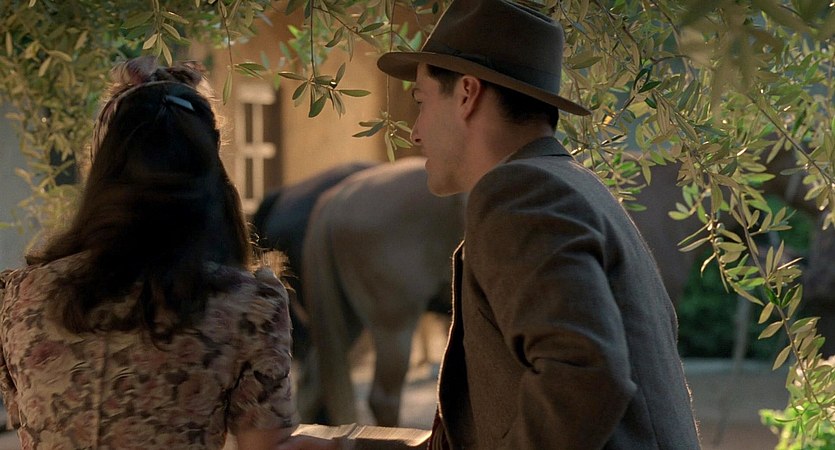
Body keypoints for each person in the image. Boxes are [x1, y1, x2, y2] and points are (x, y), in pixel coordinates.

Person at [374, 0, 703, 448]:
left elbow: (582, 375)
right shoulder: (572, 186)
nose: (414, 131)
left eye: (421, 102)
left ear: (467, 95)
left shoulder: (521, 193)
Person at [0, 56, 299, 449]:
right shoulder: (249, 305)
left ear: (102, 172)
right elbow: (266, 447)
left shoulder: (20, 297)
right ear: (209, 176)